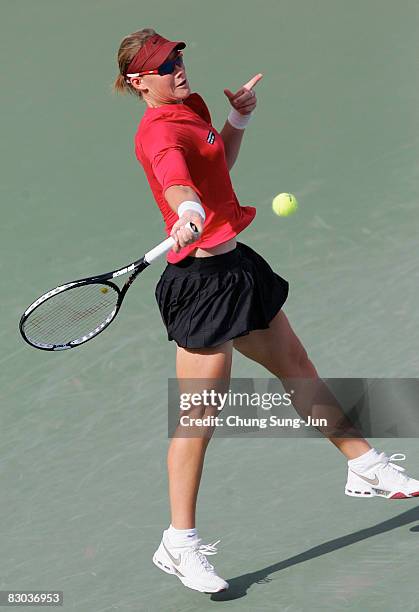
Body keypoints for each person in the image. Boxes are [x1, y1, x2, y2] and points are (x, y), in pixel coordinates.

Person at [113, 29, 419, 594]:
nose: (178, 67)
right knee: (200, 419)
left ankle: (365, 465)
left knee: (299, 371)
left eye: (178, 56)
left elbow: (213, 166)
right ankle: (178, 544)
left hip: (237, 268)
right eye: (163, 65)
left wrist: (238, 122)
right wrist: (185, 209)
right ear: (139, 82)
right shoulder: (158, 130)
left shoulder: (190, 105)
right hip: (200, 285)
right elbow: (175, 177)